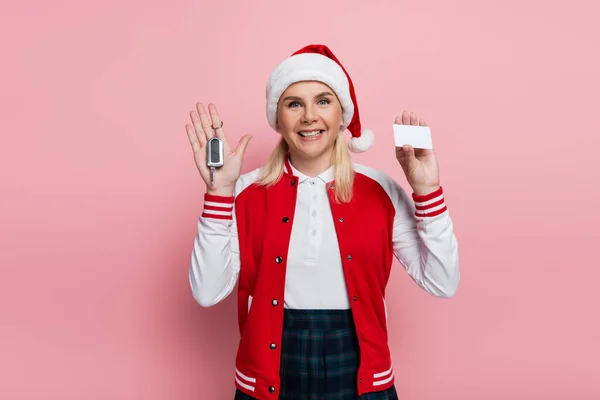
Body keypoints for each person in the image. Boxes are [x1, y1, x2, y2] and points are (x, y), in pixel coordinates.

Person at [186, 44, 460, 400]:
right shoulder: (243, 191)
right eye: (294, 103)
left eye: (323, 101)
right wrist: (219, 194)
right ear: (278, 117)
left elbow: (443, 282)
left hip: (362, 375)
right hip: (269, 376)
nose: (309, 117)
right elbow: (207, 293)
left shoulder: (381, 190)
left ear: (342, 114)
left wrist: (428, 191)